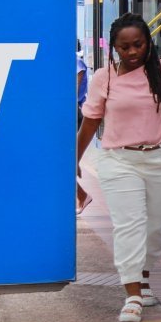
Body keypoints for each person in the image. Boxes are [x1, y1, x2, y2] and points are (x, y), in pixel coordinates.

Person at [77, 13, 161, 322]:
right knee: (129, 226)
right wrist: (72, 162)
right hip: (118, 160)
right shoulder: (105, 77)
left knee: (155, 230)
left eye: (137, 45)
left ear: (148, 44)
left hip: (159, 159)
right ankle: (132, 295)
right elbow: (90, 122)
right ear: (114, 47)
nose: (131, 52)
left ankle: (142, 277)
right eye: (124, 47)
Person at [75, 40, 92, 215]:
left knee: (63, 161)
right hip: (70, 112)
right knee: (64, 161)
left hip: (72, 113)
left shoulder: (75, 61)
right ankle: (81, 195)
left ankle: (82, 195)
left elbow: (74, 88)